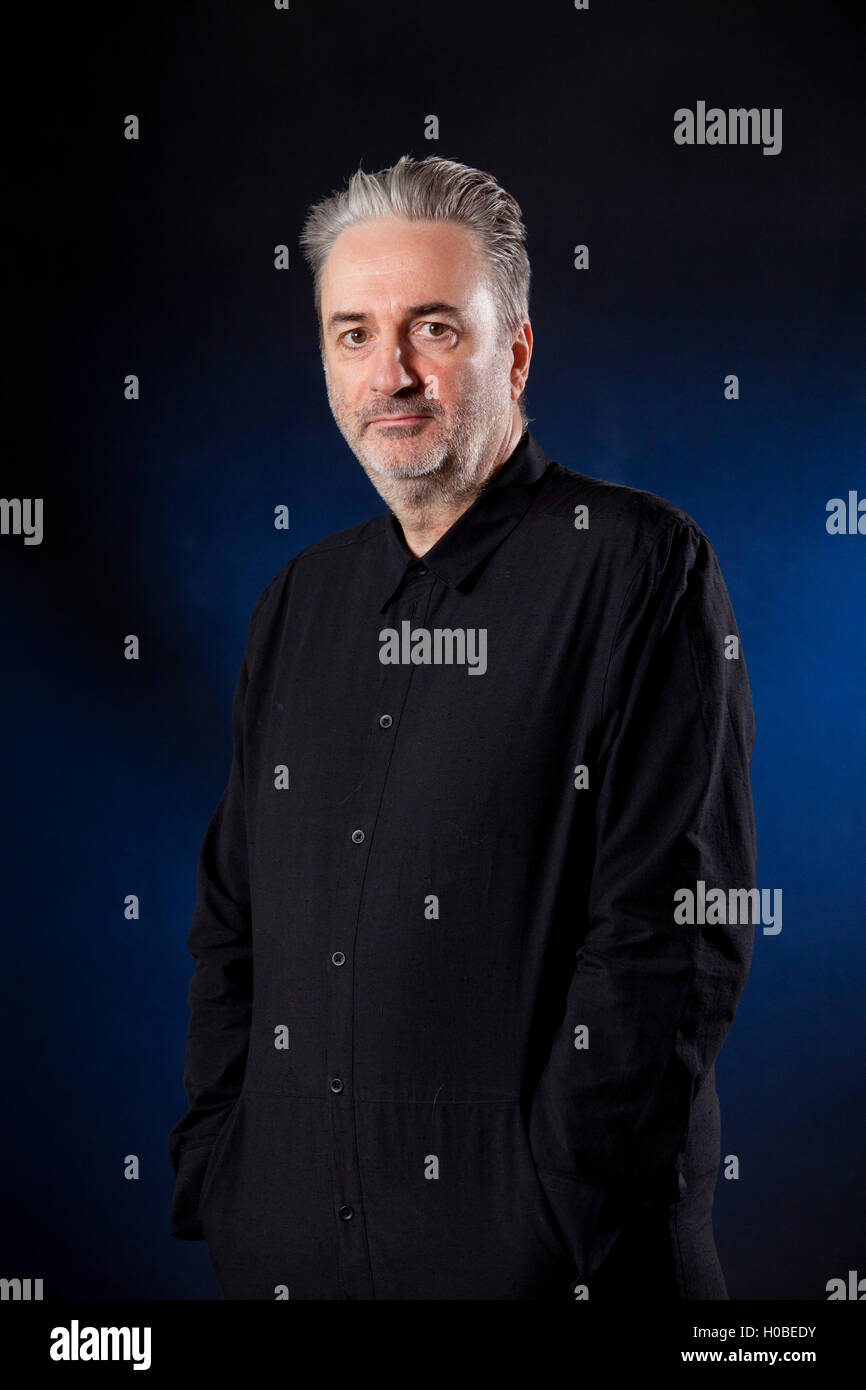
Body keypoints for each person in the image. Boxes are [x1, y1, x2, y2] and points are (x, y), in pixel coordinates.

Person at [167, 154, 757, 1301]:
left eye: (431, 328)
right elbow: (231, 919)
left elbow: (674, 935)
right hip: (292, 1263)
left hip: (553, 1273)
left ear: (515, 351)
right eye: (351, 333)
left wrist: (544, 1217)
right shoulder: (297, 600)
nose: (387, 371)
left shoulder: (639, 566)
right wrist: (222, 1172)